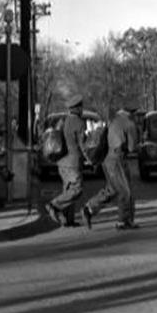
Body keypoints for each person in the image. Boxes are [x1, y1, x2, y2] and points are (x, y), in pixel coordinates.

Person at [81, 106, 138, 230]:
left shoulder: (113, 120)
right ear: (131, 113)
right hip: (118, 158)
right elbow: (132, 147)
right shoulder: (129, 123)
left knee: (112, 190)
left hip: (106, 159)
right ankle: (124, 221)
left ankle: (89, 208)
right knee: (125, 190)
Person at [46, 95, 86, 227]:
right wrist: (90, 158)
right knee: (76, 189)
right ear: (78, 108)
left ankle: (67, 220)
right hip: (73, 162)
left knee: (68, 190)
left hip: (62, 162)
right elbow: (82, 144)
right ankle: (54, 205)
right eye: (81, 107)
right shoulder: (79, 122)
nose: (82, 109)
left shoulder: (64, 121)